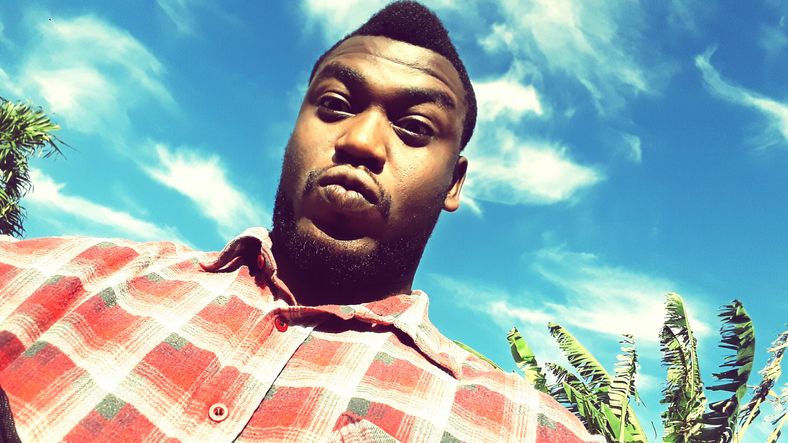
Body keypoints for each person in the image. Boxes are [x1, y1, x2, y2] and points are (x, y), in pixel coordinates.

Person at [0, 2, 602, 442]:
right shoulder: (75, 276)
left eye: (414, 128)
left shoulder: (531, 428)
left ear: (455, 183)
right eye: (335, 106)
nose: (362, 141)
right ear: (293, 131)